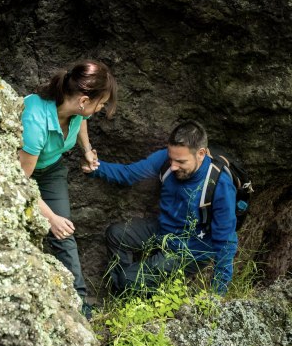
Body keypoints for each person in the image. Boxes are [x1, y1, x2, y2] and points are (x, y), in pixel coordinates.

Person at [82, 120, 238, 295]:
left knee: (129, 279)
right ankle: (126, 289)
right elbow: (129, 174)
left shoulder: (218, 184)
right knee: (116, 234)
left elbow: (226, 242)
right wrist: (95, 167)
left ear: (200, 154)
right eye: (171, 158)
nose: (173, 166)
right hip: (163, 230)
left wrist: (217, 295)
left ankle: (130, 288)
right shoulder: (166, 160)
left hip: (189, 249)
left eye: (180, 161)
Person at [19, 60, 118, 317]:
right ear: (84, 101)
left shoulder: (74, 109)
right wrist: (50, 217)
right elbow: (20, 181)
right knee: (54, 225)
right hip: (22, 176)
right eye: (101, 103)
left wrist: (86, 150)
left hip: (51, 170)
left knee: (65, 233)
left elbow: (80, 122)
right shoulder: (35, 121)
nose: (101, 109)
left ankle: (80, 302)